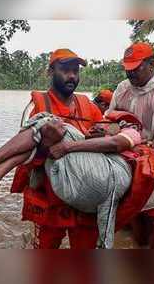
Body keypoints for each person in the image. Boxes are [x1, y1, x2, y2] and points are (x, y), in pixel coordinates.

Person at [0, 110, 146, 248]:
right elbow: (36, 154)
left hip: (78, 195)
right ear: (52, 71)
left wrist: (68, 145)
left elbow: (114, 143)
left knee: (47, 122)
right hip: (51, 194)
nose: (101, 125)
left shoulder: (125, 132)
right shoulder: (41, 104)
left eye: (109, 123)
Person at [11, 49, 103, 249]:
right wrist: (46, 146)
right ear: (50, 72)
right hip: (49, 198)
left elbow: (106, 144)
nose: (72, 76)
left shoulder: (89, 106)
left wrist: (104, 133)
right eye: (65, 70)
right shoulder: (36, 108)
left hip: (85, 197)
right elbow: (24, 157)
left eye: (75, 71)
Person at [106, 42, 154, 249]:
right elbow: (110, 118)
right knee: (135, 213)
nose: (131, 74)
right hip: (129, 156)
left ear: (152, 64)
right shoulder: (122, 89)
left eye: (136, 68)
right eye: (127, 69)